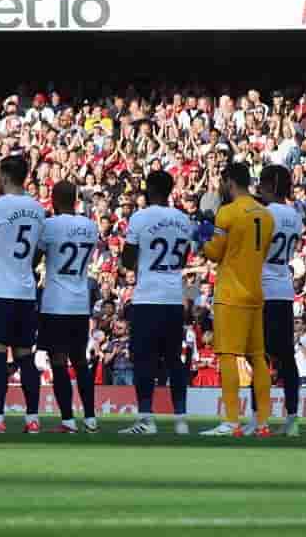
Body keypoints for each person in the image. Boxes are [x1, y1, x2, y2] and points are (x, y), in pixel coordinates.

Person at [0, 154, 45, 434]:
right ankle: (33, 419)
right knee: (26, 355)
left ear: (3, 176)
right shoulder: (37, 208)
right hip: (25, 291)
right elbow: (38, 251)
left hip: (0, 290)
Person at [200, 162, 274, 437]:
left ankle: (231, 421)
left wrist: (204, 237)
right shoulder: (266, 215)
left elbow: (214, 253)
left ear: (230, 182)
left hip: (231, 293)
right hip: (256, 291)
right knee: (257, 357)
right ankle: (263, 423)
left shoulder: (227, 212)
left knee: (228, 356)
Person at [119, 170, 195, 436]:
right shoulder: (184, 220)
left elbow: (127, 261)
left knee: (144, 360)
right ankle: (181, 420)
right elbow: (184, 258)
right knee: (174, 359)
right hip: (174, 297)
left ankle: (146, 418)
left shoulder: (141, 217)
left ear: (150, 190)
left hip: (148, 297)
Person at [36, 181, 101, 433]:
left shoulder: (49, 226)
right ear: (75, 199)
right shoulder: (89, 226)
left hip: (55, 303)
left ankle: (67, 420)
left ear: (53, 199)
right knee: (80, 362)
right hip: (79, 302)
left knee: (59, 361)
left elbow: (35, 258)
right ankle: (91, 418)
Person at [257, 165, 305, 437]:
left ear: (271, 186)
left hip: (262, 289)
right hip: (283, 289)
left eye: (263, 185)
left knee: (259, 355)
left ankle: (258, 416)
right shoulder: (295, 216)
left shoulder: (263, 214)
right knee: (286, 355)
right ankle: (292, 416)